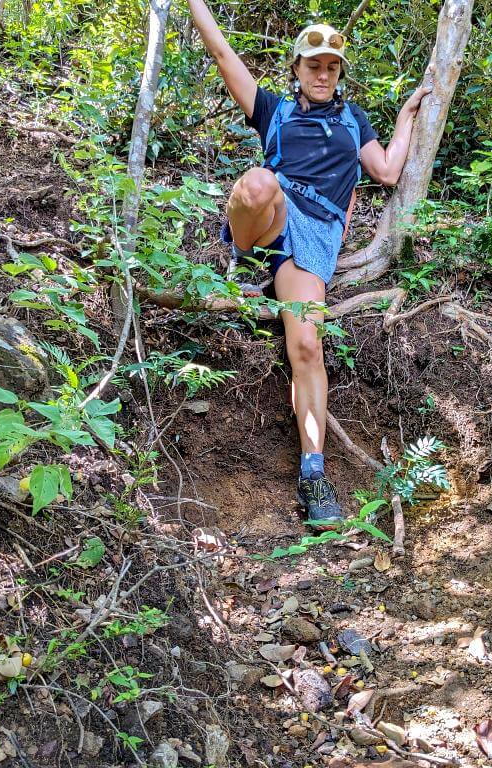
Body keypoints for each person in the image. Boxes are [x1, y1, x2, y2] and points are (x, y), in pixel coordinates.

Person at [186, 0, 432, 525]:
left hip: (315, 238)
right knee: (258, 182)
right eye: (313, 64)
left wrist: (408, 115)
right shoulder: (274, 111)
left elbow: (387, 170)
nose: (322, 74)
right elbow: (224, 53)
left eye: (332, 66)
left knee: (305, 343)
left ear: (339, 73)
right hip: (272, 221)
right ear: (296, 69)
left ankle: (314, 472)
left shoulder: (351, 120)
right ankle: (247, 264)